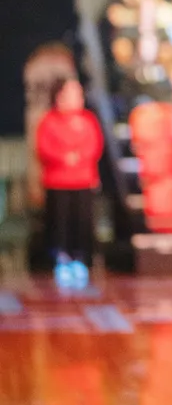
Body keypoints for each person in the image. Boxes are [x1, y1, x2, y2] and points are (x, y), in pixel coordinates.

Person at [36, 77, 104, 289]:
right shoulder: (49, 121)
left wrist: (79, 157)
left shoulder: (88, 120)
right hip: (58, 182)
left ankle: (80, 259)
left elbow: (95, 145)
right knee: (60, 223)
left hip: (83, 180)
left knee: (82, 222)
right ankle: (61, 259)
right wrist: (63, 157)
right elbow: (43, 148)